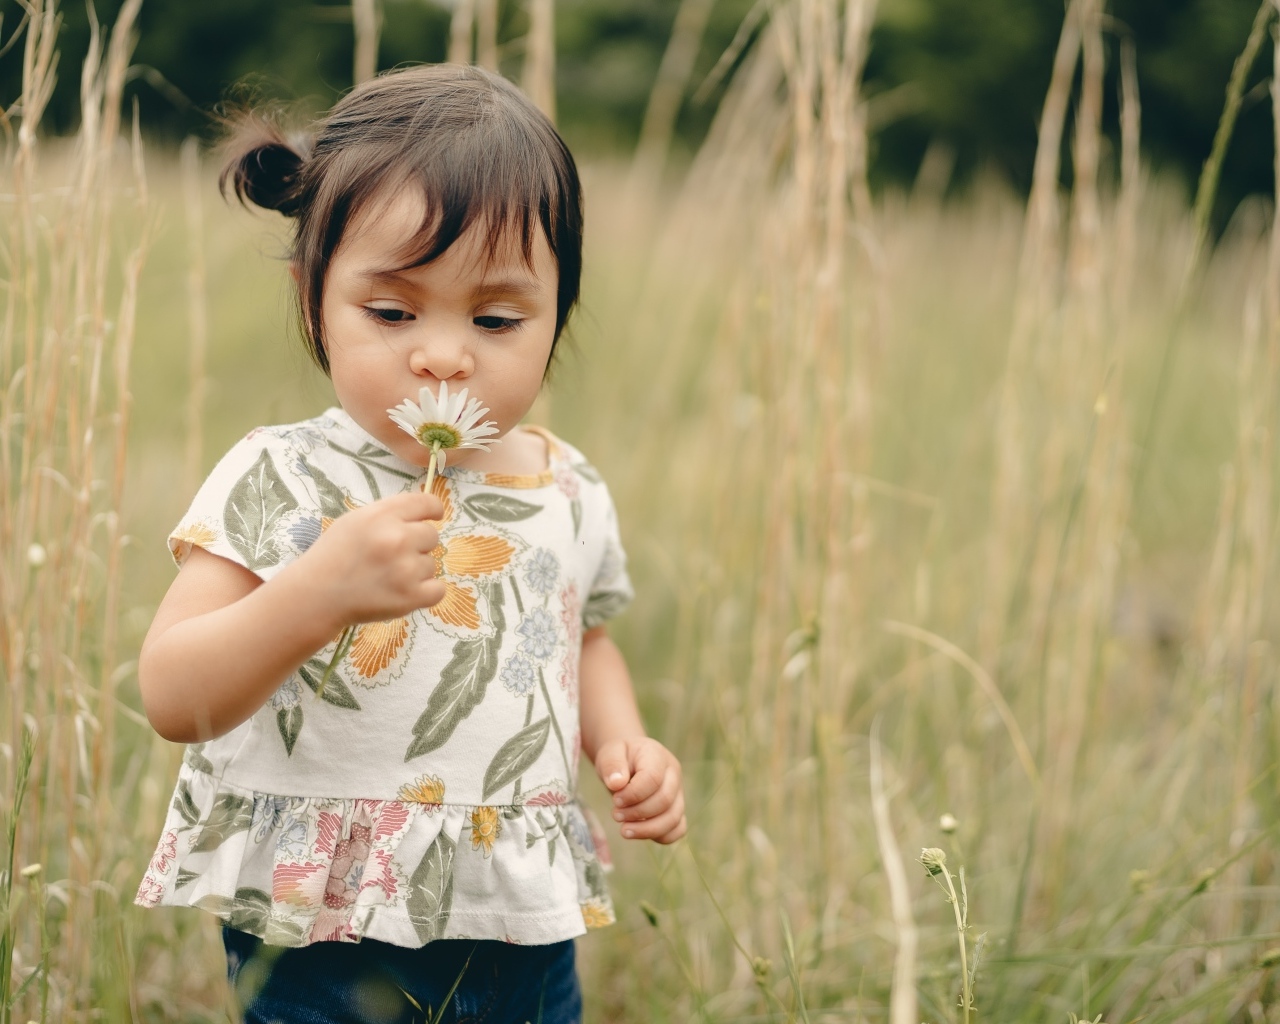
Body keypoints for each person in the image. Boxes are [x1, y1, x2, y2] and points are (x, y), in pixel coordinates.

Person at [134, 64, 685, 1024]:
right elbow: (175, 697)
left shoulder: (563, 485)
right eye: (391, 312)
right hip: (325, 924)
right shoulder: (284, 476)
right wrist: (319, 591)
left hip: (518, 908)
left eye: (498, 318)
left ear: (557, 314)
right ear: (315, 294)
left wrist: (624, 741)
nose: (442, 353)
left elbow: (582, 634)